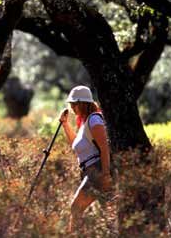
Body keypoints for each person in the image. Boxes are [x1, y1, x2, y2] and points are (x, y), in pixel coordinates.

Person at [58, 85, 112, 233]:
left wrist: (106, 174)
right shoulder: (85, 122)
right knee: (107, 213)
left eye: (75, 104)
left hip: (97, 170)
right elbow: (75, 144)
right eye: (71, 104)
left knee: (75, 208)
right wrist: (65, 124)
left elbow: (104, 148)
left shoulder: (94, 120)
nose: (72, 107)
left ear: (83, 103)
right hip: (89, 171)